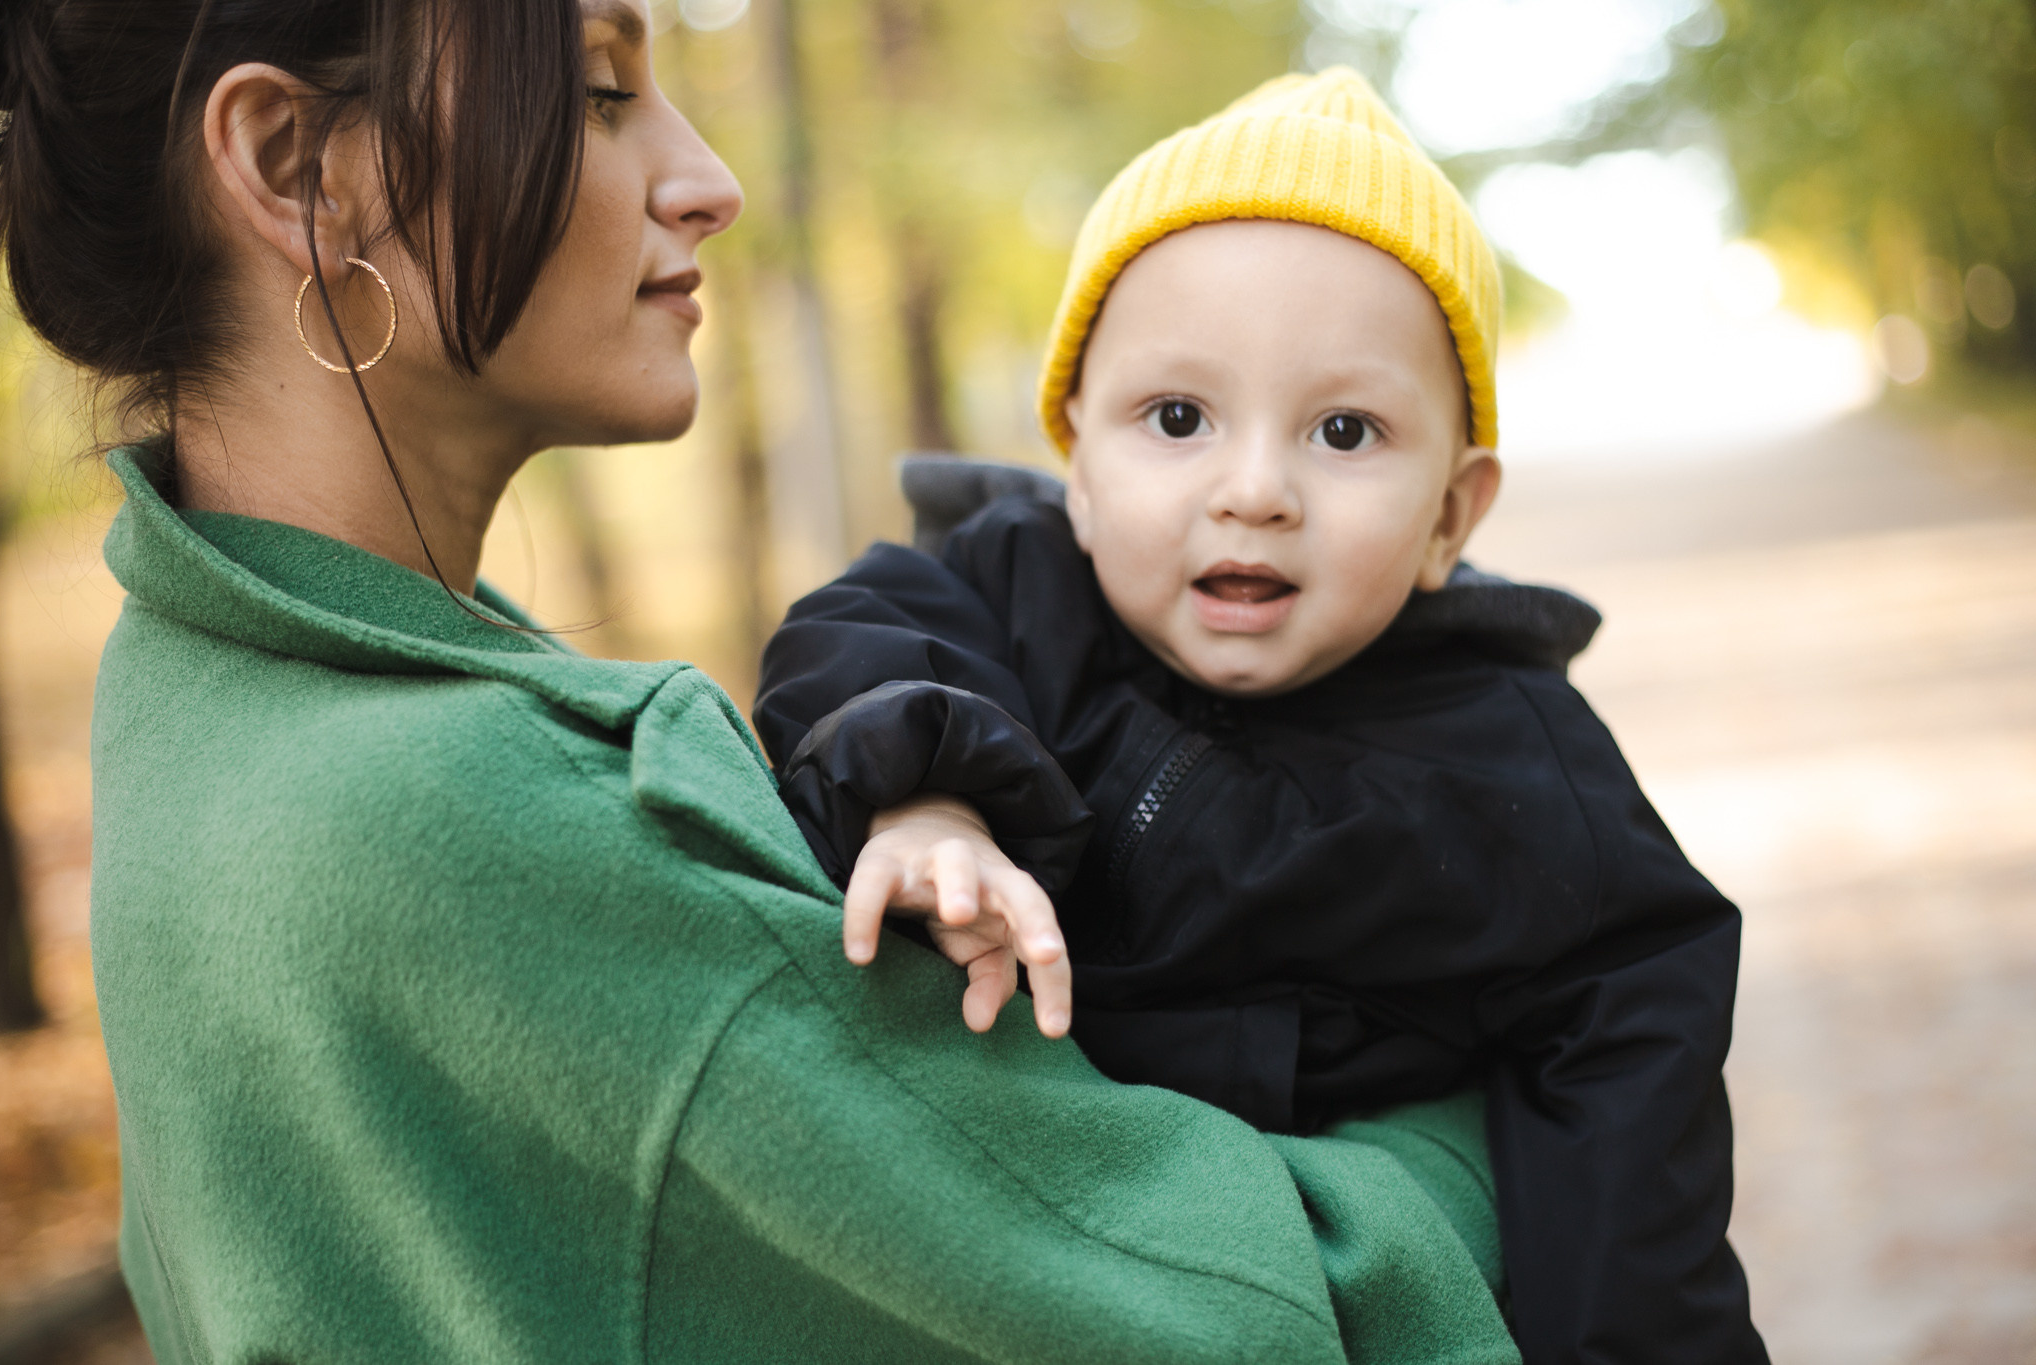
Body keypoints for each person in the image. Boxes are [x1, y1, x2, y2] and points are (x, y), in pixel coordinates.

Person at [0, 1, 1524, 1360]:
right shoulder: (497, 820)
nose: (705, 178)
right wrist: (1490, 1092)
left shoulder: (196, 674)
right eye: (599, 86)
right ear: (295, 166)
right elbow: (1274, 1320)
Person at [756, 70, 1769, 1364]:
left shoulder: (1510, 761)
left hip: (1300, 1285)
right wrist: (933, 789)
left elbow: (1635, 1080)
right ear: (1075, 456)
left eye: (1343, 432)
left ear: (1453, 516)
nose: (1254, 489)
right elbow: (858, 631)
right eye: (1176, 418)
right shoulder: (1010, 594)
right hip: (1007, 1254)